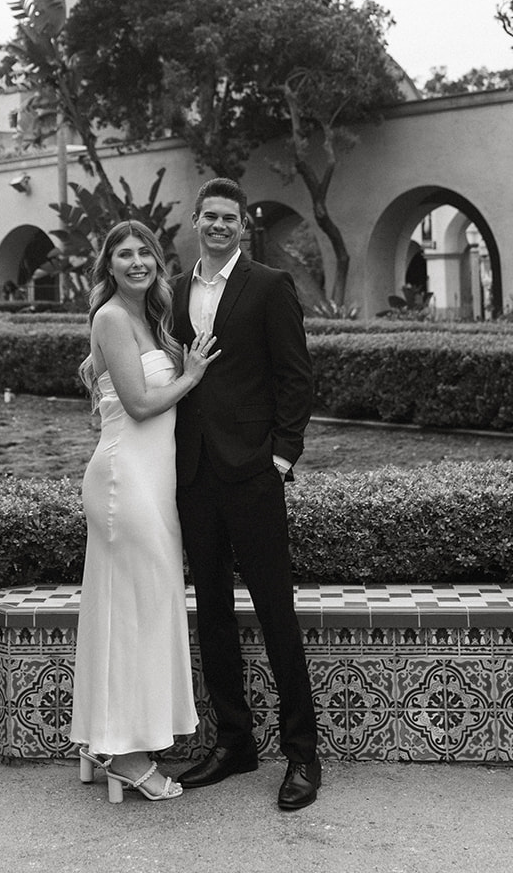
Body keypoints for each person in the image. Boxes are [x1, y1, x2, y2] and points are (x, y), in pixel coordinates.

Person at [173, 178, 321, 811]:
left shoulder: (268, 286)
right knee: (211, 612)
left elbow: (296, 376)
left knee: (275, 612)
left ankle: (303, 755)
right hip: (196, 476)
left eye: (229, 218)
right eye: (209, 216)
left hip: (255, 475)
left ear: (243, 226)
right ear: (195, 222)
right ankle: (234, 743)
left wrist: (281, 460)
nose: (218, 226)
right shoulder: (175, 292)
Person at [70, 220, 219, 804]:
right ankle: (127, 757)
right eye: (123, 254)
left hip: (152, 481)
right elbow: (137, 405)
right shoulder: (110, 316)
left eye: (144, 253)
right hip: (124, 479)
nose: (136, 262)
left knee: (134, 606)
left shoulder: (152, 319)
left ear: (158, 261)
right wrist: (191, 375)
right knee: (135, 611)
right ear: (108, 266)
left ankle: (104, 740)